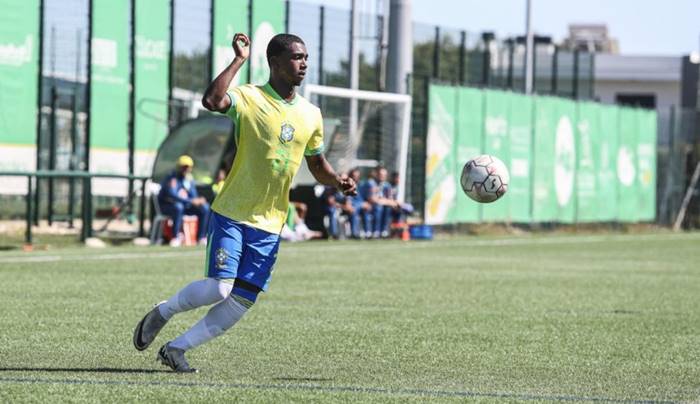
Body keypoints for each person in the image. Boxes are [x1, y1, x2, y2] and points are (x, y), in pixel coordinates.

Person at [133, 32, 356, 372]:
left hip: (271, 222)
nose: (304, 63)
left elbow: (316, 164)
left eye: (306, 57)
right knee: (219, 288)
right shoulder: (250, 97)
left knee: (241, 300)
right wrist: (239, 60)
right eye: (296, 57)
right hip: (233, 211)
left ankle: (176, 349)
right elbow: (212, 101)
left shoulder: (311, 114)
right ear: (275, 62)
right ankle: (163, 311)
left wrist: (337, 181)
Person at [158, 155, 210, 246]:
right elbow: (173, 195)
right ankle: (175, 237)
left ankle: (201, 237)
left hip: (184, 206)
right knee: (178, 207)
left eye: (188, 167)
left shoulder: (188, 179)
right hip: (168, 206)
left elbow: (193, 195)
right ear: (178, 167)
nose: (186, 169)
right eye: (184, 167)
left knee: (205, 208)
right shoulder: (172, 178)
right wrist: (191, 201)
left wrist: (197, 200)